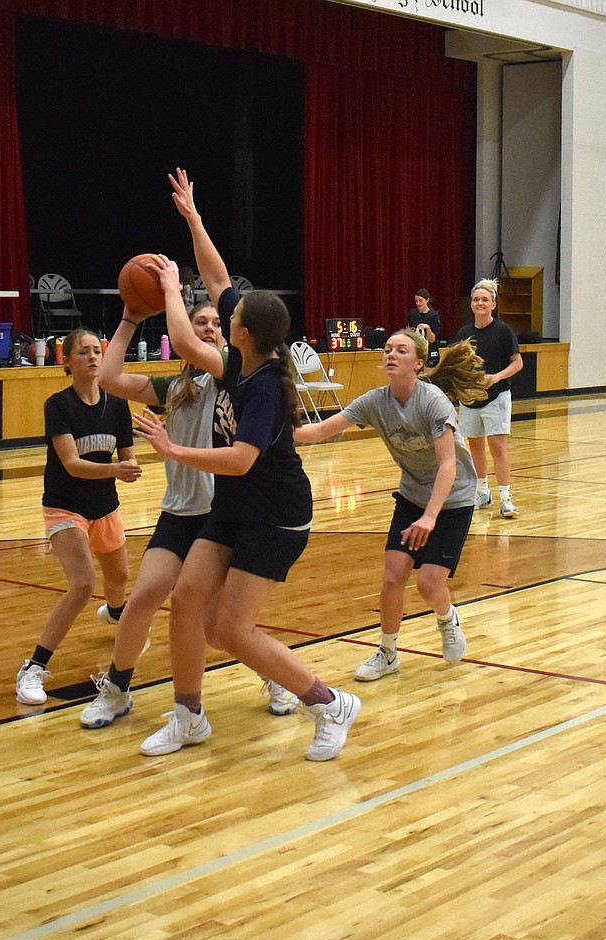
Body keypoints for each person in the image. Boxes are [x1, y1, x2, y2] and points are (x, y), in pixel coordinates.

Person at [128, 167, 360, 761]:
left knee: (228, 628)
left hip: (278, 516)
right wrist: (193, 218)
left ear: (246, 333)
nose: (223, 314)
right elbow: (220, 275)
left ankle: (329, 702)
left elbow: (239, 458)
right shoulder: (244, 353)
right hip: (236, 509)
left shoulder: (261, 387)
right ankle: (188, 716)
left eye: (230, 317)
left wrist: (176, 450)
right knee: (186, 599)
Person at [79, 298, 300, 729]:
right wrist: (129, 318)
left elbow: (192, 347)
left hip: (223, 516)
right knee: (143, 597)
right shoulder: (175, 389)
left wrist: (168, 292)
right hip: (180, 514)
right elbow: (108, 377)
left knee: (220, 622)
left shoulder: (233, 377)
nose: (209, 328)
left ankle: (277, 677)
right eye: (200, 322)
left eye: (218, 323)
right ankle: (118, 691)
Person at [293, 329, 488, 682]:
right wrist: (274, 427)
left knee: (429, 585)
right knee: (392, 576)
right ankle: (388, 652)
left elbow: (449, 465)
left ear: (418, 363)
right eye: (387, 350)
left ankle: (447, 619)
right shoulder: (374, 402)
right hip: (413, 497)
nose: (391, 355)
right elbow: (320, 431)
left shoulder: (433, 402)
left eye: (401, 350)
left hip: (453, 498)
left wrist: (431, 517)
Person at [14, 329, 142, 705]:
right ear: (66, 360)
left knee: (119, 577)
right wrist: (118, 471)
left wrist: (136, 462)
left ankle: (115, 612)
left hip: (105, 506)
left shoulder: (117, 405)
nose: (92, 357)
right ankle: (33, 668)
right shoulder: (58, 405)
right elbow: (71, 464)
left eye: (96, 350)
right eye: (83, 352)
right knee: (84, 582)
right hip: (64, 505)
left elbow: (128, 457)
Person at [451, 278, 523, 517]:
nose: (480, 303)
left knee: (498, 446)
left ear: (493, 303)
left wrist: (496, 377)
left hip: (497, 397)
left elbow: (517, 363)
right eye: (476, 299)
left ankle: (506, 498)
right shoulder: (464, 333)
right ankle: (482, 492)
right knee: (475, 446)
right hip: (470, 399)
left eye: (485, 299)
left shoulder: (503, 331)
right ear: (471, 304)